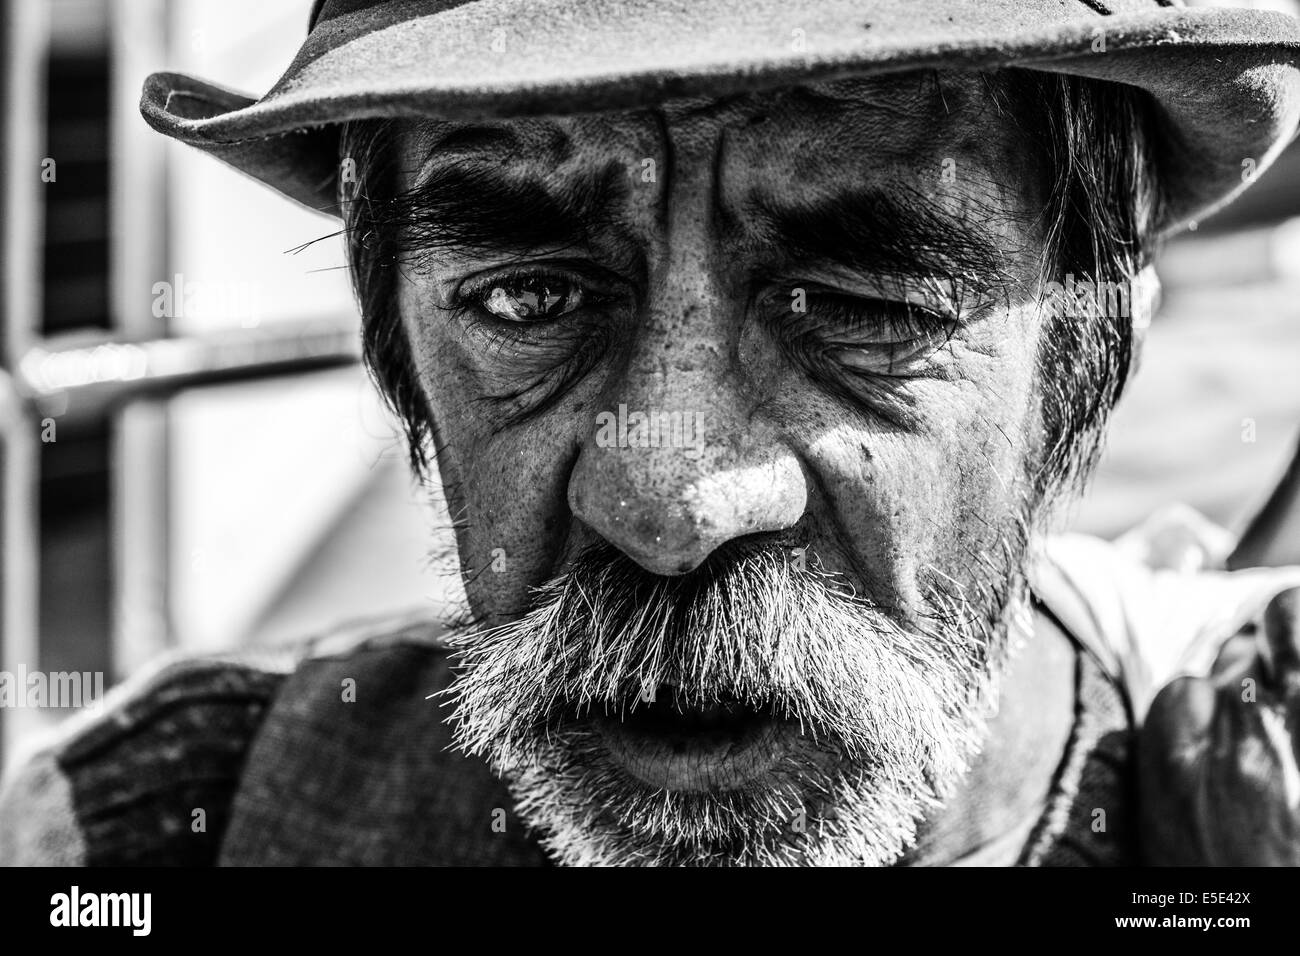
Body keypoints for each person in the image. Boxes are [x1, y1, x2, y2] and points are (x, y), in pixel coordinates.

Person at [3, 0, 1300, 867]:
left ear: (1088, 354)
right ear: (392, 347)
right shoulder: (159, 826)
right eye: (528, 298)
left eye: (860, 307)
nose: (669, 504)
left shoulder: (1245, 783)